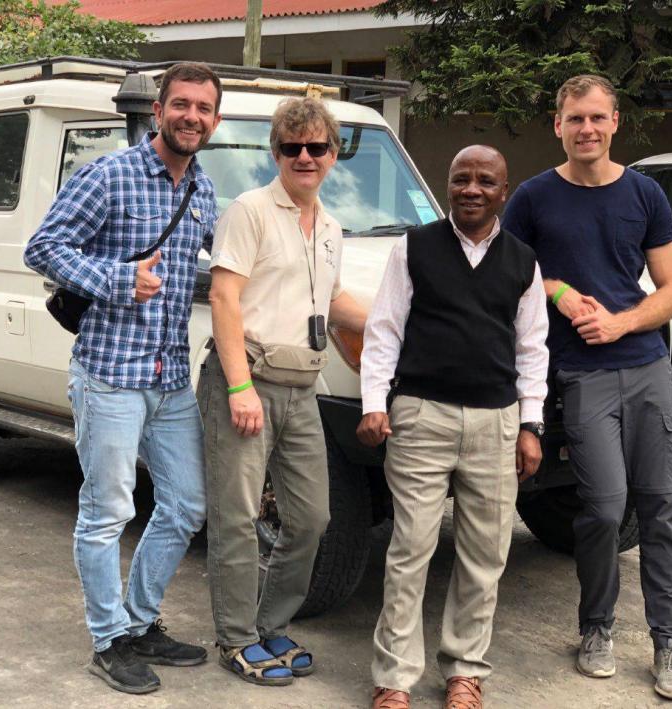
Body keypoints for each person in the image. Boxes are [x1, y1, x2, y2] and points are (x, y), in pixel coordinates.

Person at [23, 62, 222, 695]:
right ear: (160, 109)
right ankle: (108, 640)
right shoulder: (108, 175)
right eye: (182, 104)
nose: (192, 116)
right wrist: (117, 278)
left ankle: (140, 622)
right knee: (108, 509)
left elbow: (212, 272)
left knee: (187, 502)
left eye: (205, 108)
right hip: (108, 375)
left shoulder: (205, 191)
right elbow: (43, 247)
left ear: (215, 120)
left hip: (169, 380)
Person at [501, 74, 672, 702]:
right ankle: (598, 629)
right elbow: (509, 274)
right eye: (574, 119)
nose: (586, 129)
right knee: (605, 510)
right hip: (580, 375)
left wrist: (621, 321)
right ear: (557, 126)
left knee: (660, 508)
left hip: (644, 368)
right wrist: (555, 290)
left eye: (597, 118)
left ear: (615, 123)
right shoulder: (532, 199)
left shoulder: (643, 195)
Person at [359, 145, 549, 709]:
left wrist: (531, 424)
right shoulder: (413, 248)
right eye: (460, 178)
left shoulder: (522, 261)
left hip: (496, 422)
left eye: (485, 181)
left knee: (485, 554)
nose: (471, 188)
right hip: (420, 417)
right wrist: (376, 403)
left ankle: (465, 672)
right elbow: (384, 331)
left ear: (503, 192)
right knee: (410, 548)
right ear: (446, 186)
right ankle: (393, 679)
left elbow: (532, 348)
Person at [200, 97, 367, 686]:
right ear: (275, 153)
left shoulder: (329, 225)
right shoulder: (250, 211)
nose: (304, 156)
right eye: (292, 147)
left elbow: (332, 302)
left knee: (312, 518)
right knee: (238, 517)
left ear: (332, 156)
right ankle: (236, 639)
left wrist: (400, 323)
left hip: (302, 387)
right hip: (246, 379)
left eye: (317, 147)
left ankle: (271, 623)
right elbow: (225, 298)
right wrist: (239, 388)